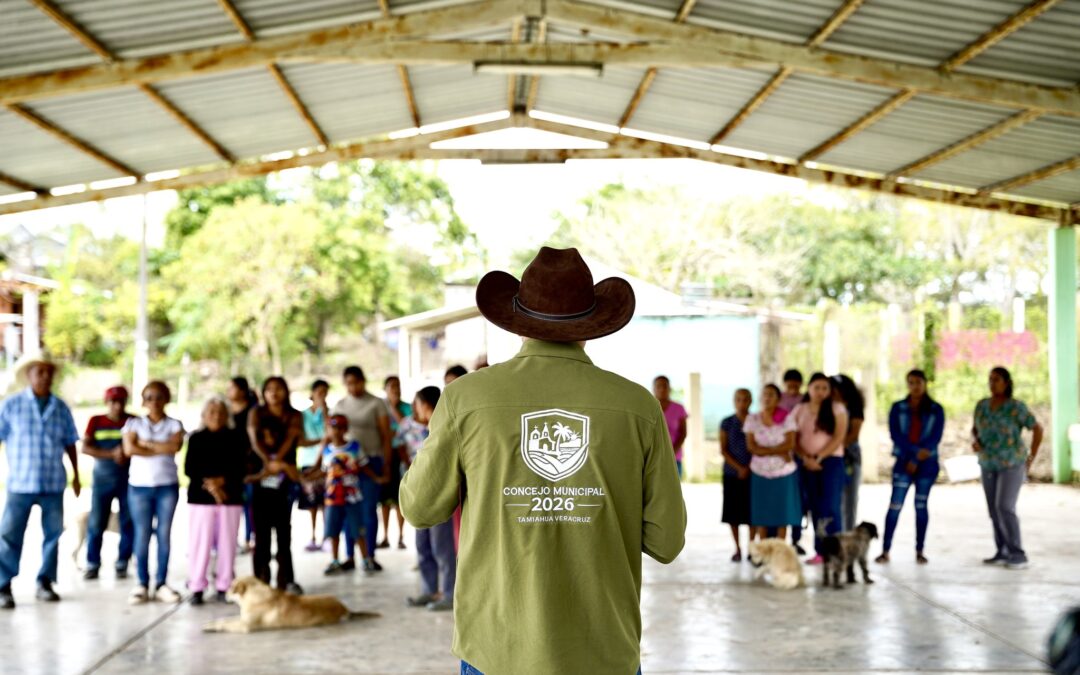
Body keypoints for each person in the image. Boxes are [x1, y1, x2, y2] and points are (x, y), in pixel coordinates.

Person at [401, 246, 686, 674]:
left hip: (495, 650)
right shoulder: (637, 407)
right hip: (602, 651)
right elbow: (667, 541)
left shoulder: (466, 399)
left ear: (518, 323)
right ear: (589, 327)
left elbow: (420, 508)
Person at [0, 359, 81, 609]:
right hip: (20, 483)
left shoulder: (60, 408)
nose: (45, 376)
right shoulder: (11, 406)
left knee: (53, 535)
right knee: (9, 535)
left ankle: (45, 582)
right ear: (29, 375)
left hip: (53, 482)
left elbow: (70, 442)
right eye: (40, 372)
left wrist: (76, 474)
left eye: (49, 372)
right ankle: (3, 585)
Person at [973, 366, 1043, 570]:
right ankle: (1002, 550)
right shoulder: (982, 406)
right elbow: (975, 429)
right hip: (988, 462)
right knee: (994, 510)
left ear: (1007, 382)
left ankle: (1018, 553)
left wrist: (1031, 456)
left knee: (1005, 506)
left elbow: (1037, 428)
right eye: (990, 379)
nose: (992, 383)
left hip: (1012, 463)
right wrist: (975, 441)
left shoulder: (1016, 407)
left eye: (997, 379)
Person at [123, 380, 185, 604]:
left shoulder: (174, 425)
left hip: (166, 486)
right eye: (149, 397)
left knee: (164, 535)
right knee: (142, 534)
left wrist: (146, 445)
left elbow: (174, 447)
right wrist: (158, 447)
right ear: (143, 401)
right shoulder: (133, 424)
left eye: (159, 397)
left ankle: (161, 583)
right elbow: (129, 449)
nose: (154, 402)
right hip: (139, 487)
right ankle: (141, 583)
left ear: (166, 399)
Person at [876, 370, 945, 565]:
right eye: (911, 383)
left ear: (925, 383)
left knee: (921, 506)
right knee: (895, 506)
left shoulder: (936, 409)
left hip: (927, 464)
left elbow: (935, 437)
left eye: (918, 382)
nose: (915, 386)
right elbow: (896, 435)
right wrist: (913, 455)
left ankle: (920, 550)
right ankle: (885, 550)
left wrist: (919, 456)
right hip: (903, 462)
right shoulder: (898, 408)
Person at [185, 398, 247, 605]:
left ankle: (224, 585)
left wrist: (222, 481)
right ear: (203, 415)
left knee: (228, 543)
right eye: (211, 412)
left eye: (221, 412)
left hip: (231, 498)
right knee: (199, 544)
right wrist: (212, 484)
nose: (216, 416)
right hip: (201, 499)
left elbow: (240, 466)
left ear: (227, 416)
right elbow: (190, 469)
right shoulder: (195, 438)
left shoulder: (236, 437)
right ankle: (196, 586)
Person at [332, 365, 392, 572]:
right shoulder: (340, 405)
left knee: (368, 510)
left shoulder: (377, 403)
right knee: (349, 510)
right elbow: (331, 435)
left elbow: (386, 436)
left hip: (372, 461)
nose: (353, 387)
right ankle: (349, 555)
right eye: (349, 383)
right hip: (346, 466)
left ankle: (370, 555)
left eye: (356, 382)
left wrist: (386, 463)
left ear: (363, 381)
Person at [247, 377, 303, 593]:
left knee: (283, 533)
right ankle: (260, 580)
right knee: (260, 535)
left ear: (286, 391)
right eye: (269, 389)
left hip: (284, 478)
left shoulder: (294, 414)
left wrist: (277, 462)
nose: (274, 393)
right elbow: (254, 439)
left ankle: (286, 580)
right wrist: (268, 462)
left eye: (278, 389)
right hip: (259, 477)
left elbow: (291, 438)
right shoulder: (256, 413)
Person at [402, 386, 456, 612]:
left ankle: (449, 593)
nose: (416, 410)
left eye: (417, 405)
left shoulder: (443, 427)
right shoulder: (417, 428)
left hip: (439, 493)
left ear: (425, 405)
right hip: (421, 494)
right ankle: (428, 590)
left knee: (442, 547)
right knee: (422, 544)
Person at [793, 373, 848, 564]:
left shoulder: (837, 408)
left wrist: (819, 457)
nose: (821, 392)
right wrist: (805, 458)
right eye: (817, 387)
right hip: (805, 463)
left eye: (825, 388)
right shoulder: (800, 409)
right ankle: (820, 552)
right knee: (814, 507)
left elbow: (839, 437)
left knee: (831, 507)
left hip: (831, 462)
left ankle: (835, 550)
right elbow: (792, 437)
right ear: (809, 388)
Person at [81, 385, 134, 580]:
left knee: (128, 521)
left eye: (121, 401)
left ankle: (122, 562)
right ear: (107, 402)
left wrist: (125, 454)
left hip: (128, 479)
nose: (117, 406)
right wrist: (111, 454)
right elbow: (85, 448)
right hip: (102, 480)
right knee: (96, 522)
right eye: (113, 402)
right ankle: (93, 563)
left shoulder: (133, 420)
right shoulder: (96, 421)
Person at [318, 415, 374, 575]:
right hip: (333, 497)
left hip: (352, 496)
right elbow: (324, 471)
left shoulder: (354, 447)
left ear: (345, 429)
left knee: (358, 529)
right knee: (333, 530)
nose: (336, 431)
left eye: (340, 428)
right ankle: (335, 560)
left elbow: (364, 466)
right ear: (328, 429)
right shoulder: (327, 450)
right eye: (332, 428)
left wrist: (377, 477)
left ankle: (365, 560)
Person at [745, 384, 801, 542]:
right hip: (759, 472)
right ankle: (763, 549)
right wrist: (779, 452)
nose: (767, 398)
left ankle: (780, 549)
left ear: (778, 399)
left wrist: (766, 450)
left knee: (782, 513)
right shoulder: (753, 419)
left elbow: (790, 444)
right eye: (765, 394)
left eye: (771, 395)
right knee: (761, 513)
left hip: (784, 472)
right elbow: (752, 447)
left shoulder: (787, 417)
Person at [719, 389, 753, 562]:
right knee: (733, 513)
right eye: (739, 399)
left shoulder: (756, 421)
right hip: (732, 473)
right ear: (734, 401)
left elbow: (758, 445)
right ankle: (737, 548)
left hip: (753, 472)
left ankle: (752, 548)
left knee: (752, 513)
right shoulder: (727, 422)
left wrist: (748, 468)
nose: (742, 402)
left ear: (751, 401)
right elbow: (723, 449)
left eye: (746, 399)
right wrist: (739, 468)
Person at [227, 376, 259, 553]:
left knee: (251, 503)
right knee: (233, 503)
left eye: (231, 388)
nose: (228, 392)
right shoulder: (226, 410)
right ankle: (232, 539)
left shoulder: (253, 410)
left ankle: (251, 538)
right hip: (231, 465)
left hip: (250, 465)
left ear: (241, 390)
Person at [379, 375, 411, 550]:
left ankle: (400, 536)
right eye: (391, 386)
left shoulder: (406, 407)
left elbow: (406, 425)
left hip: (402, 454)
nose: (395, 390)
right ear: (385, 389)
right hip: (385, 454)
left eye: (398, 386)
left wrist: (393, 407)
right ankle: (384, 536)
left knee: (400, 497)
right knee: (384, 499)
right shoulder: (379, 407)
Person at [297, 379, 329, 552]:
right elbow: (301, 441)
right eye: (319, 392)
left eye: (325, 392)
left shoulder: (328, 414)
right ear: (312, 393)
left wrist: (324, 412)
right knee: (311, 503)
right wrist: (320, 441)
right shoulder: (303, 415)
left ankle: (327, 536)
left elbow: (331, 434)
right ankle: (312, 536)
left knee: (325, 501)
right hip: (308, 462)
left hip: (326, 462)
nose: (322, 396)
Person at [832, 374, 865, 531]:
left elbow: (854, 434)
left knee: (849, 499)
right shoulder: (826, 407)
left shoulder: (855, 407)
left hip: (849, 457)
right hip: (829, 456)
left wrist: (835, 446)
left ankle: (848, 535)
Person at [653, 375, 689, 479]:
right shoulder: (648, 408)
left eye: (665, 386)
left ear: (669, 389)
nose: (662, 389)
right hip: (653, 459)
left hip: (674, 458)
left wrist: (671, 452)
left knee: (674, 492)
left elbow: (683, 433)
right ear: (654, 389)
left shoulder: (679, 408)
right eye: (659, 386)